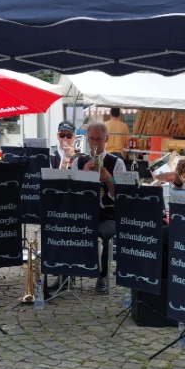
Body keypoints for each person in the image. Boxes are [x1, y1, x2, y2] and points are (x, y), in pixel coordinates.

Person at [79, 121, 126, 293]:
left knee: (103, 234)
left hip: (108, 214)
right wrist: (83, 175)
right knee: (66, 227)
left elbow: (121, 195)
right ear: (87, 139)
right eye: (92, 139)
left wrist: (109, 178)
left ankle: (103, 276)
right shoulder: (79, 161)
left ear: (106, 139)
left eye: (99, 139)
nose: (95, 143)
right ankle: (65, 274)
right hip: (85, 213)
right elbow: (73, 193)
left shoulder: (117, 162)